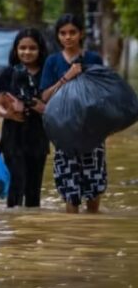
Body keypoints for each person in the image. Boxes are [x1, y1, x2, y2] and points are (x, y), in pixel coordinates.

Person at [40, 13, 106, 214]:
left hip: (91, 131)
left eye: (72, 32)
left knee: (93, 187)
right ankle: (73, 232)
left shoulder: (93, 59)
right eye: (63, 33)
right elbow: (45, 96)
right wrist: (66, 77)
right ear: (58, 36)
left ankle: (90, 232)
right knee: (71, 189)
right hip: (64, 132)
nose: (67, 37)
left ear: (81, 34)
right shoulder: (52, 62)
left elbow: (102, 93)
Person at [0, 28, 49, 208]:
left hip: (38, 138)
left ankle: (31, 231)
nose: (27, 52)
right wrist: (8, 113)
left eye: (32, 48)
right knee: (15, 188)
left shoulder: (47, 74)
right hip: (13, 138)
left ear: (40, 49)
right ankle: (15, 229)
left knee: (34, 192)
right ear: (16, 50)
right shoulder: (8, 73)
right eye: (22, 48)